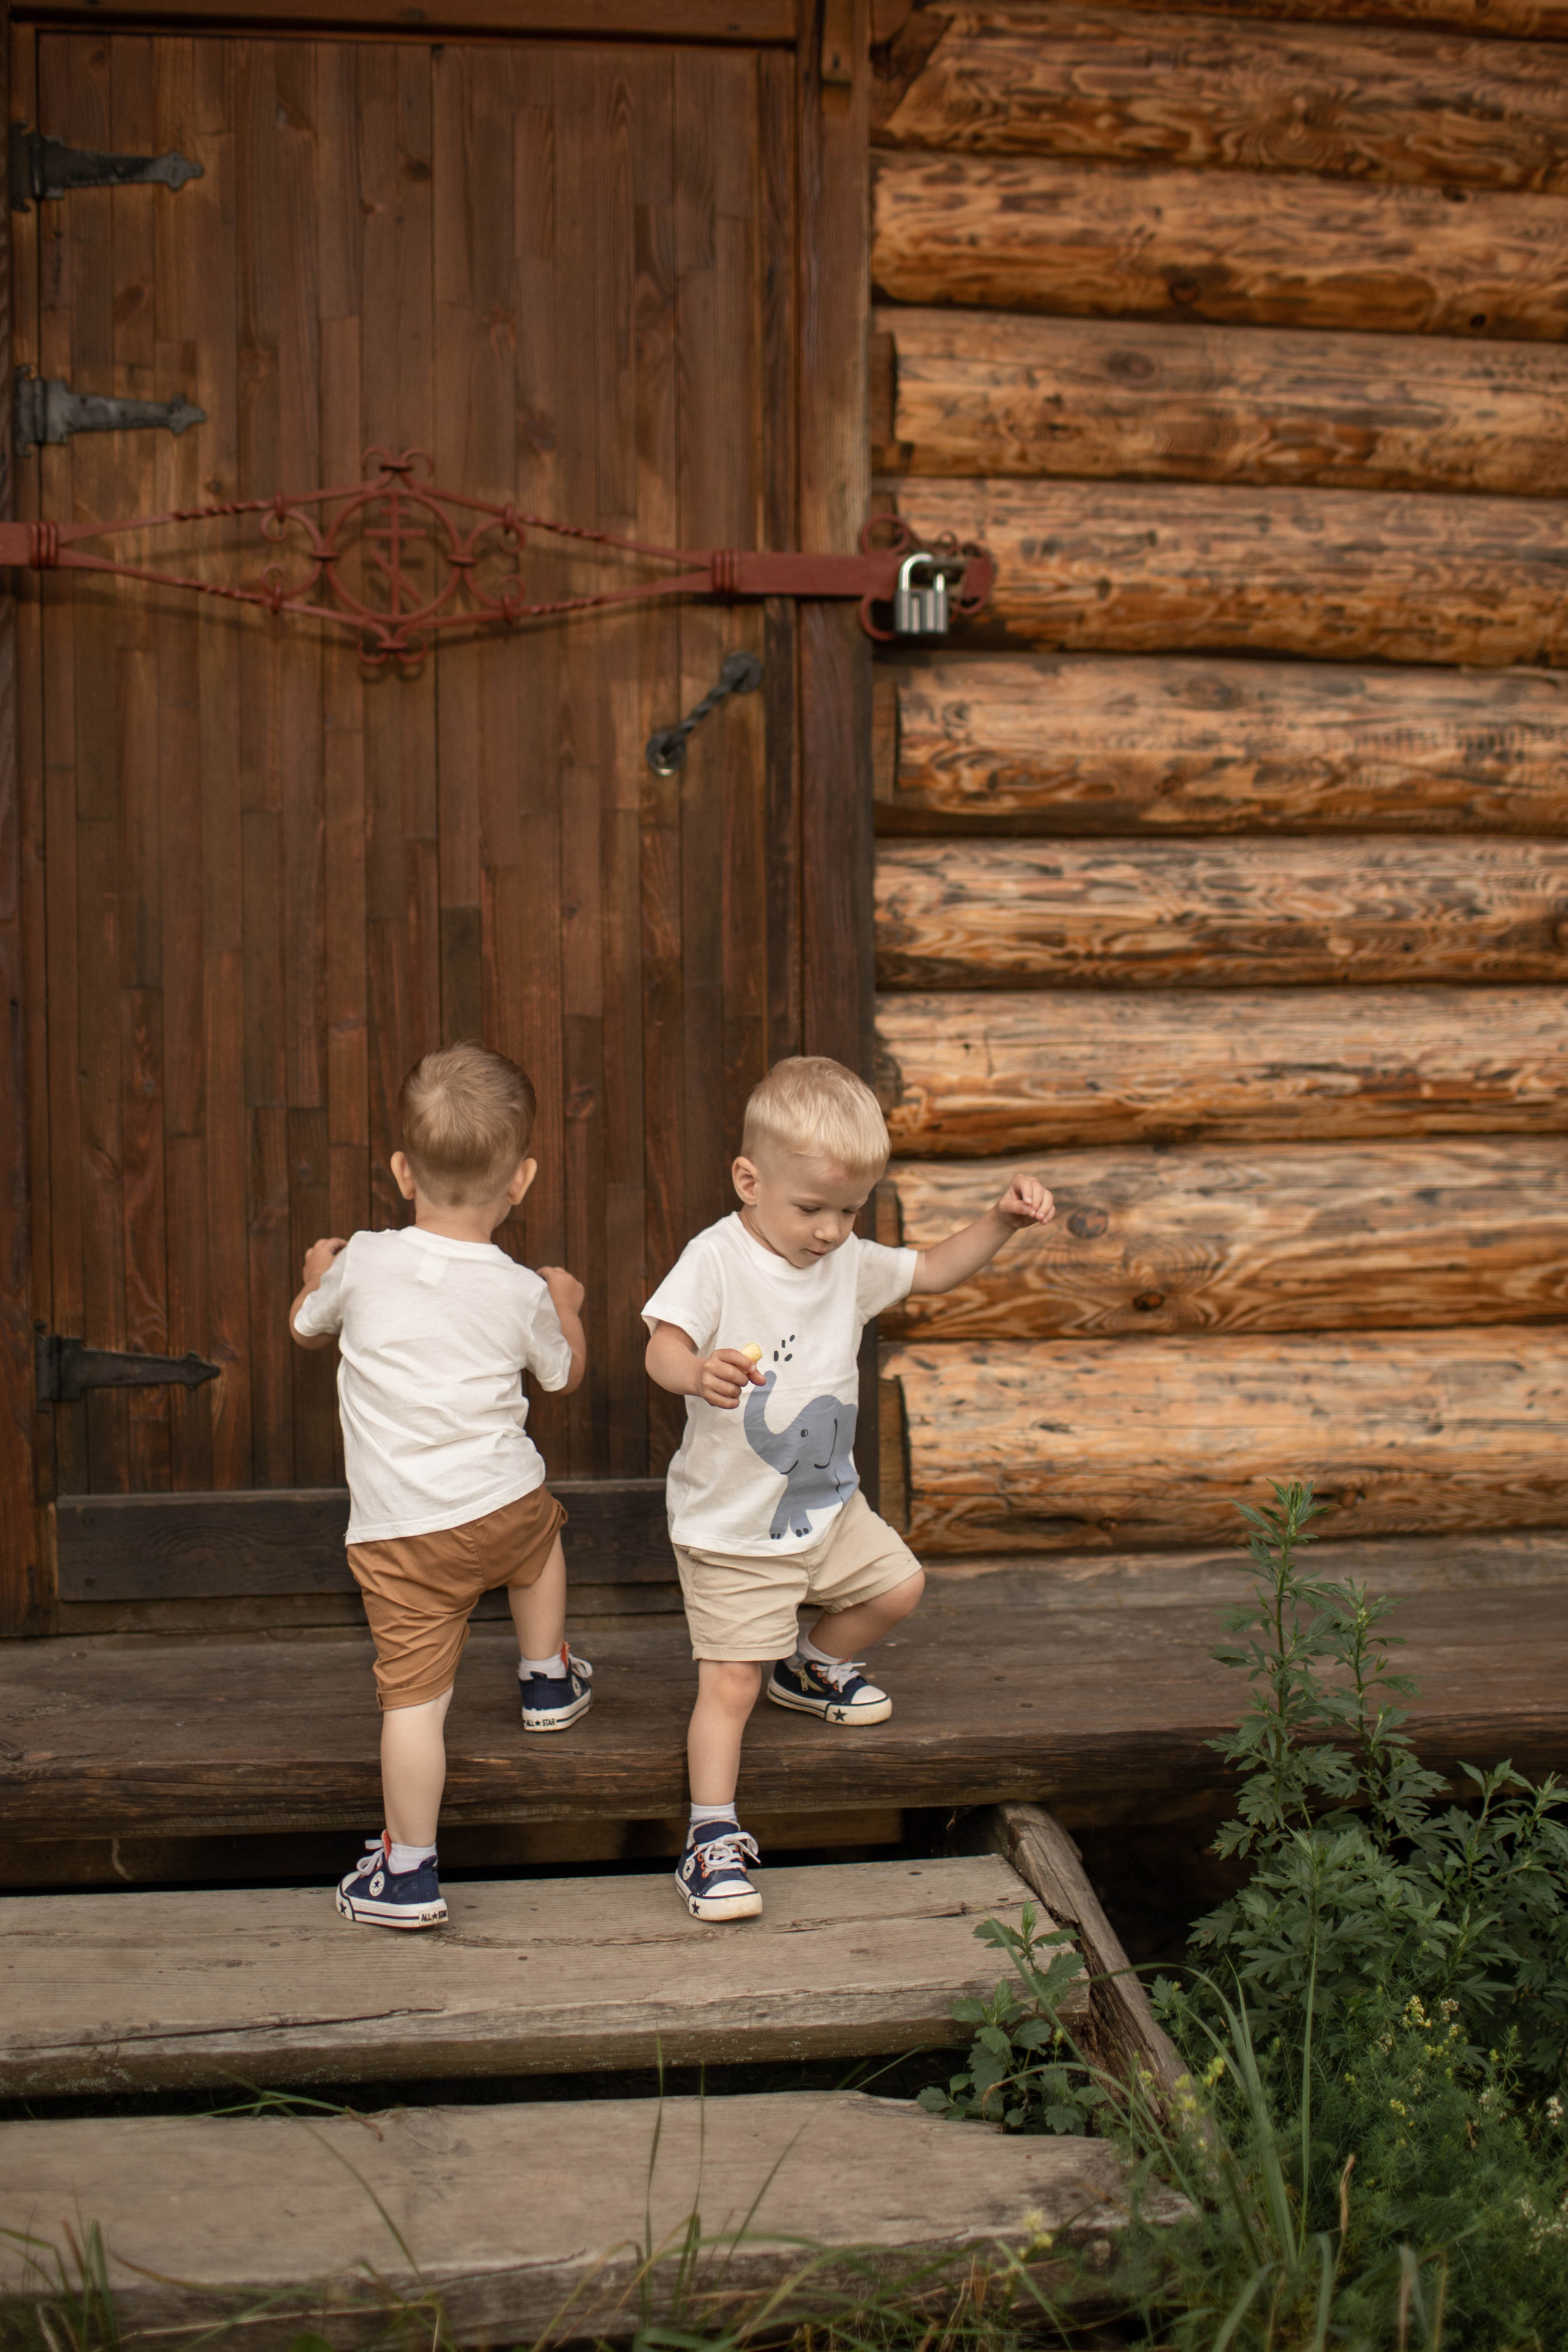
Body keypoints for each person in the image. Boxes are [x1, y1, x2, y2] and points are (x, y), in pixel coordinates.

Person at [643, 1054, 1054, 1923]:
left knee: (900, 1584)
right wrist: (694, 1372)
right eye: (810, 1209)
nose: (832, 1231)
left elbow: (936, 1271)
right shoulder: (715, 1259)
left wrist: (999, 1221)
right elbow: (660, 1345)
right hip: (734, 1530)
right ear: (749, 1182)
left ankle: (815, 1664)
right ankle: (710, 1836)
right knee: (729, 1686)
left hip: (829, 1508)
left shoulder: (848, 1262)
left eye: (849, 1209)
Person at [290, 1041, 590, 1930]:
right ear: (523, 1180)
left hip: (400, 1541)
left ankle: (408, 1874)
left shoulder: (366, 1261)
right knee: (542, 1542)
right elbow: (563, 1375)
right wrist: (565, 1300)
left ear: (400, 1172)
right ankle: (547, 1679)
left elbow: (309, 1328)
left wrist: (316, 1271)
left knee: (415, 1704)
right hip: (503, 1508)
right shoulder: (517, 1289)